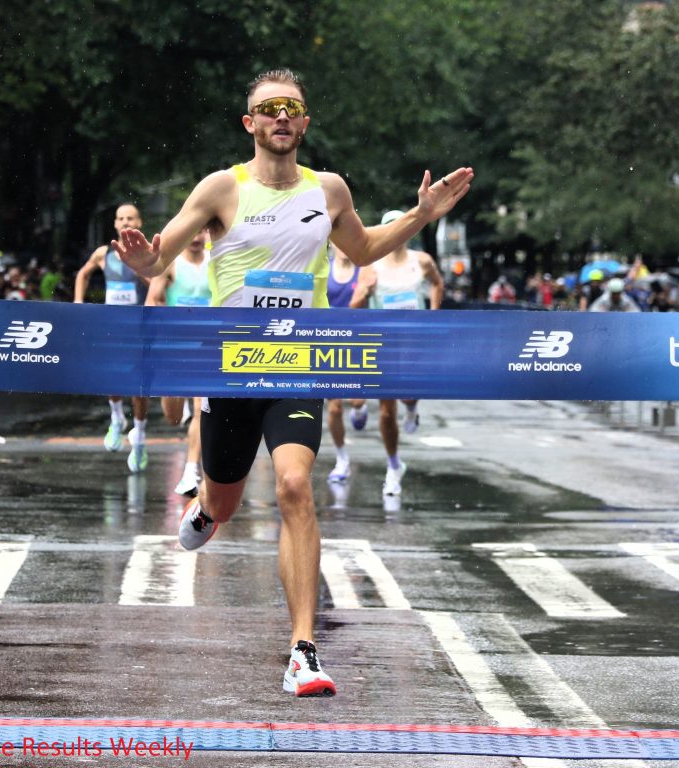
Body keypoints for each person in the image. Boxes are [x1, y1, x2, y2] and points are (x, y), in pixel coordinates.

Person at [112, 68, 473, 697]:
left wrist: (421, 213)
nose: (281, 116)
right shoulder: (221, 188)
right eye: (268, 108)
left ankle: (303, 649)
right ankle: (208, 509)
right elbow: (156, 258)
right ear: (249, 123)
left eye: (292, 108)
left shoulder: (328, 189)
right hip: (232, 368)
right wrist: (138, 254)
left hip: (299, 361)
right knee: (224, 501)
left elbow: (362, 250)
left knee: (294, 484)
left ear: (304, 123)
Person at [348, 209, 444, 496]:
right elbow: (355, 306)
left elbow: (438, 283)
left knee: (409, 394)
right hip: (384, 343)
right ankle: (393, 465)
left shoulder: (422, 261)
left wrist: (434, 314)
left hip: (414, 340)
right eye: (389, 227)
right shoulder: (371, 265)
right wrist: (366, 293)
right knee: (387, 411)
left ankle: (413, 408)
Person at [74, 203, 152, 472]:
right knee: (112, 377)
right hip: (111, 325)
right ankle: (117, 418)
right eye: (121, 218)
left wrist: (139, 266)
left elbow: (158, 285)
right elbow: (83, 274)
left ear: (139, 222)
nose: (125, 222)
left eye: (130, 217)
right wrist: (78, 302)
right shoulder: (103, 253)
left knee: (139, 385)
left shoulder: (149, 254)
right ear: (115, 224)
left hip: (139, 325)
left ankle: (139, 437)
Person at [144, 230, 212, 496]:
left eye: (202, 232)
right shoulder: (170, 263)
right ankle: (178, 407)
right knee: (172, 417)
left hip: (207, 346)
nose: (196, 237)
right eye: (192, 232)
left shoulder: (216, 261)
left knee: (201, 410)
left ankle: (190, 471)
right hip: (174, 345)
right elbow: (152, 300)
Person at [324, 245, 362, 483]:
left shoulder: (364, 270)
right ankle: (342, 459)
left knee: (356, 400)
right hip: (329, 344)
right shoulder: (324, 270)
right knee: (335, 407)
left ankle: (360, 407)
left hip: (358, 344)